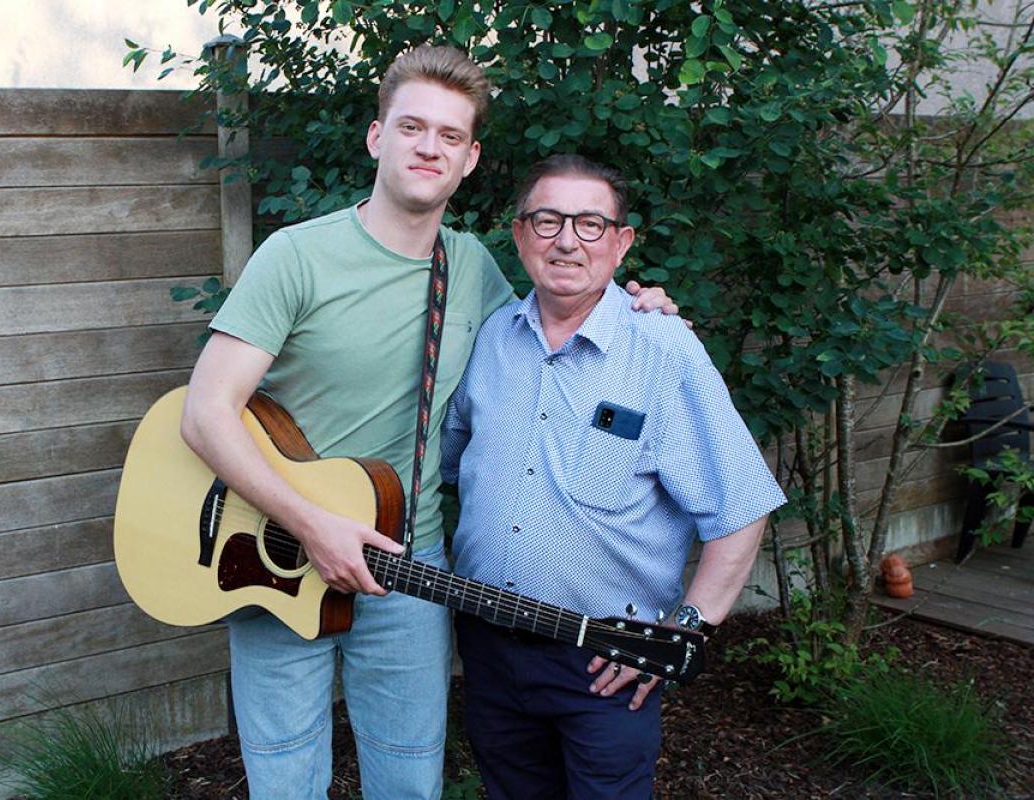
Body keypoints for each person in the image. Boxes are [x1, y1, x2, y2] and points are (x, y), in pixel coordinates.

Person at [179, 48, 676, 799]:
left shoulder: (472, 269)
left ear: (470, 158)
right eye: (411, 126)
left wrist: (638, 309)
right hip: (273, 547)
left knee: (410, 780)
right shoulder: (296, 257)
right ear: (378, 137)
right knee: (284, 782)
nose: (428, 147)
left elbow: (557, 335)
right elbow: (205, 414)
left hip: (410, 562)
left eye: (449, 135)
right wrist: (311, 524)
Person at [441, 154, 788, 800]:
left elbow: (741, 507)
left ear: (621, 243)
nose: (567, 240)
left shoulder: (664, 351)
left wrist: (685, 628)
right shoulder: (490, 342)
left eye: (591, 224)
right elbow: (448, 463)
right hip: (489, 652)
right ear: (519, 236)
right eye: (547, 221)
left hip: (603, 664)